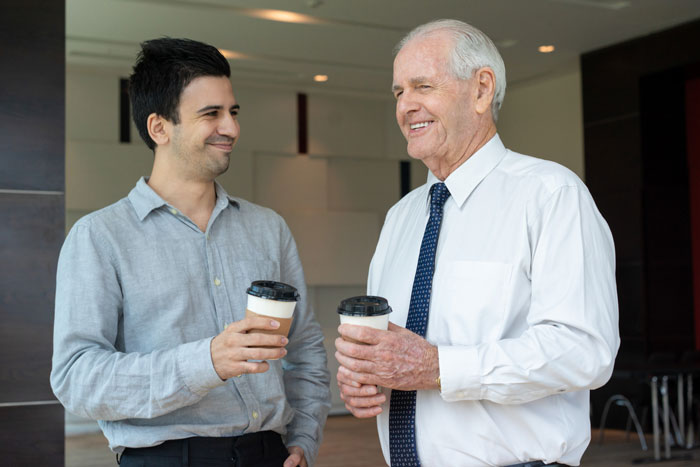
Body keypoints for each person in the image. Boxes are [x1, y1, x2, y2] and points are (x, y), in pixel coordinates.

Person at [334, 19, 619, 467]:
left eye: (422, 86)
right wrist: (366, 376)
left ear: (482, 89)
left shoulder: (550, 195)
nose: (406, 105)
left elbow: (584, 352)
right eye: (397, 92)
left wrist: (438, 367)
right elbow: (395, 353)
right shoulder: (401, 218)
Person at [51, 38, 330, 467]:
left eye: (233, 112)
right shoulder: (99, 238)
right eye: (210, 114)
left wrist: (304, 438)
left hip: (270, 454)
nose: (231, 128)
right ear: (159, 127)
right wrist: (206, 362)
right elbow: (76, 378)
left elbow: (305, 346)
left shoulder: (268, 228)